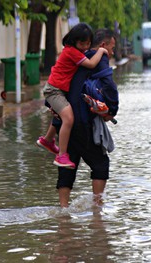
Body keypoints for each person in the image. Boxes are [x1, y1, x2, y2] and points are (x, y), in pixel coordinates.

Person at [52, 28, 119, 208]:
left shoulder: (74, 57)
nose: (112, 52)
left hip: (64, 120)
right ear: (103, 45)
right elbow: (109, 84)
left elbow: (56, 83)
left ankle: (63, 211)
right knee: (100, 164)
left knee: (67, 163)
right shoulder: (99, 58)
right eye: (112, 48)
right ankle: (97, 210)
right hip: (83, 122)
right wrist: (112, 109)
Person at [36, 23, 108, 168]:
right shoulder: (72, 52)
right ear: (73, 40)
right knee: (68, 118)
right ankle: (62, 156)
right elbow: (91, 64)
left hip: (58, 89)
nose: (85, 47)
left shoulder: (74, 51)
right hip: (54, 90)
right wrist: (101, 51)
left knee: (59, 115)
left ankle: (48, 139)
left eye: (88, 43)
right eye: (82, 43)